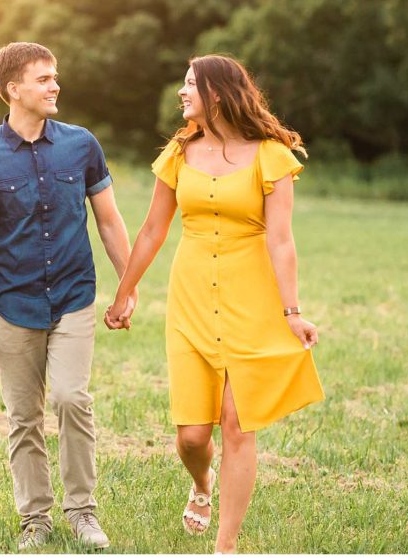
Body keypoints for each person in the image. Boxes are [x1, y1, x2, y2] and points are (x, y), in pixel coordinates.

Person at [104, 54, 325, 554]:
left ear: (218, 94)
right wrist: (124, 293)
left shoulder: (271, 155)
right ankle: (201, 483)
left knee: (237, 424)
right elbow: (153, 229)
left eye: (190, 84)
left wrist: (292, 312)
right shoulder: (179, 153)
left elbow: (282, 240)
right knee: (191, 435)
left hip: (253, 299)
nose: (182, 92)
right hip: (192, 298)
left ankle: (226, 546)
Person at [0, 42, 134, 551]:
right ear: (14, 89)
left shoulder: (81, 145)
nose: (55, 86)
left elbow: (109, 220)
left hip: (74, 296)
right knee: (24, 417)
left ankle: (83, 512)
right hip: (14, 304)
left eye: (55, 76)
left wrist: (127, 287)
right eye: (43, 78)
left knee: (71, 398)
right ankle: (35, 519)